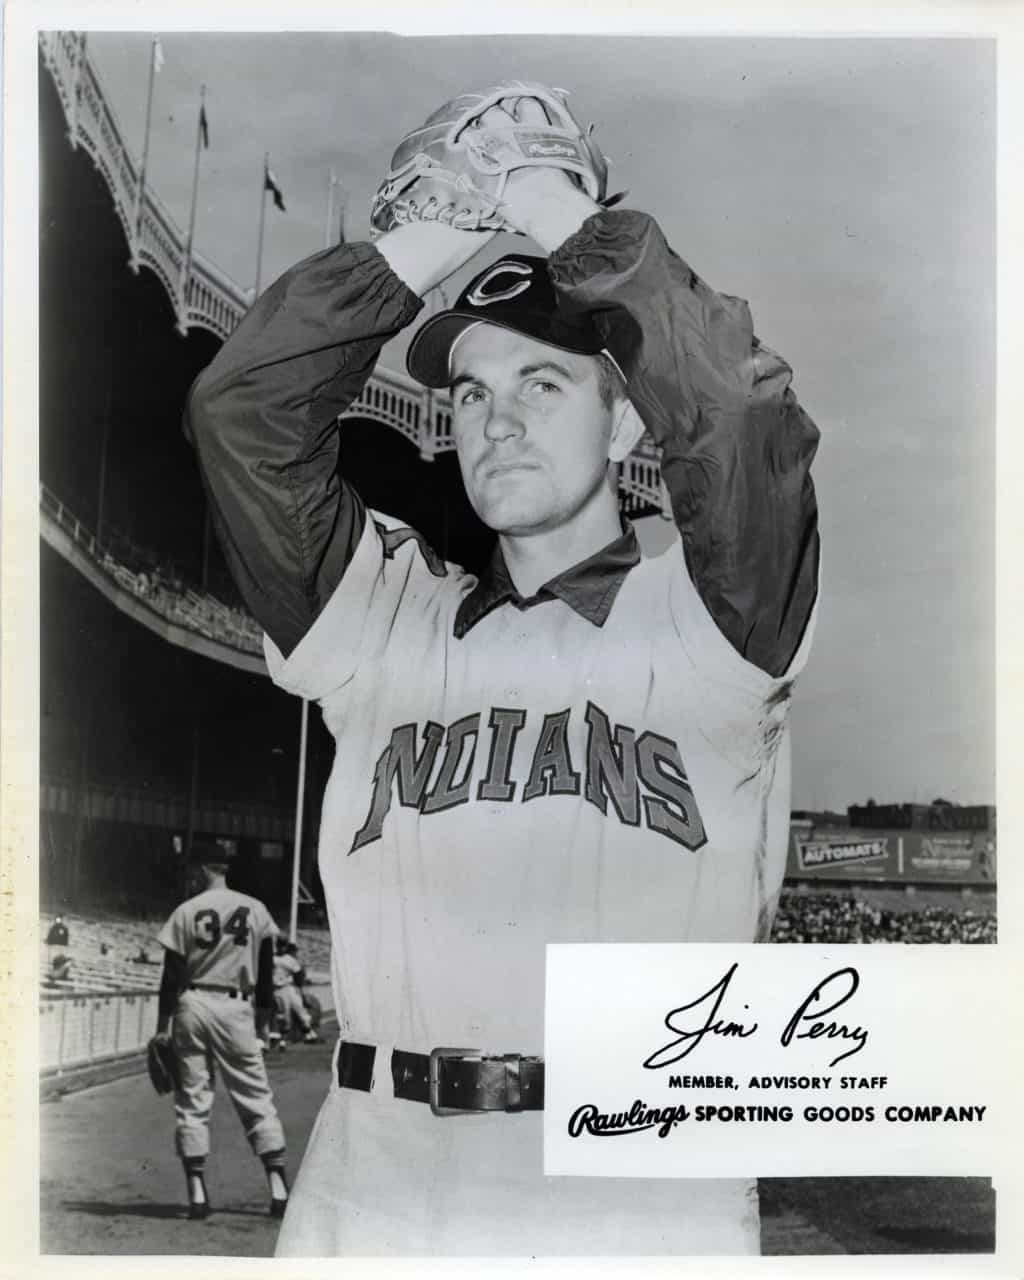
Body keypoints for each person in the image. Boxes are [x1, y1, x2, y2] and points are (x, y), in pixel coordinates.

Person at [186, 95, 819, 1256]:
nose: (496, 423)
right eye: (470, 391)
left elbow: (734, 415)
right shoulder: (386, 614)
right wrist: (433, 228)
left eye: (543, 384)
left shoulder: (710, 616)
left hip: (629, 1184)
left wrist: (559, 216)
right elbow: (242, 415)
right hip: (372, 1179)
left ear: (626, 425)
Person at [155, 843, 290, 1220]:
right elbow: (265, 980)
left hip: (194, 1003)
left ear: (201, 869)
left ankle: (197, 1194)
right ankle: (277, 1187)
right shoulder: (256, 909)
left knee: (193, 1100)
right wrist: (263, 1028)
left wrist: (161, 1029)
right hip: (236, 1007)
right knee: (255, 1096)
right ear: (226, 868)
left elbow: (170, 977)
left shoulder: (186, 910)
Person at [272, 937, 320, 1044]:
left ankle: (310, 1034)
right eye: (279, 945)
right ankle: (282, 1041)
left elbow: (299, 975)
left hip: (288, 988)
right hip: (277, 989)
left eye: (283, 945)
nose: (281, 947)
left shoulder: (289, 959)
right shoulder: (272, 958)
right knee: (283, 1016)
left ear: (285, 947)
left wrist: (301, 991)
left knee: (300, 1010)